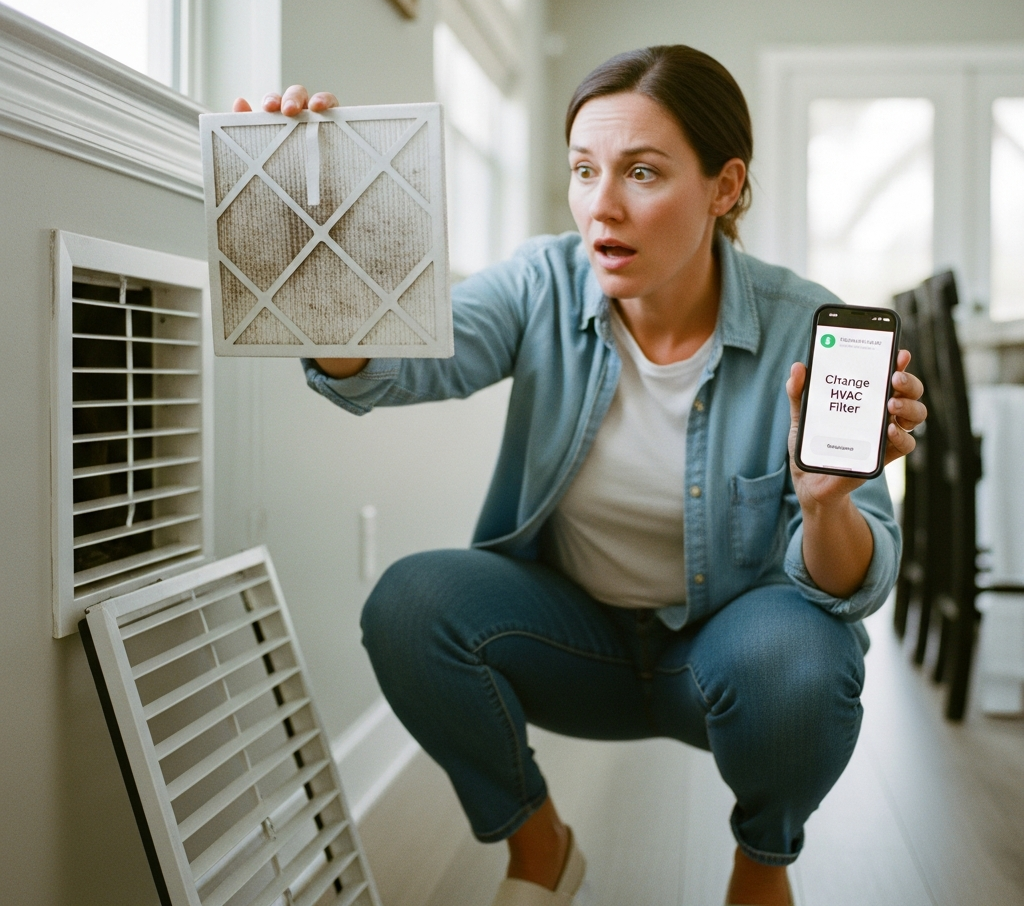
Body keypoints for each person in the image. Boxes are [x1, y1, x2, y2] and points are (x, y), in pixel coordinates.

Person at [234, 46, 926, 906]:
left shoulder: (805, 328)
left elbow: (849, 589)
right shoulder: (541, 283)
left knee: (807, 654)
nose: (602, 204)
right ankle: (541, 848)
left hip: (724, 660)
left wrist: (824, 505)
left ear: (724, 186)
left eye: (641, 172)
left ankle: (762, 865)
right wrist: (306, 217)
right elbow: (391, 366)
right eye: (583, 170)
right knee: (409, 604)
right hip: (572, 647)